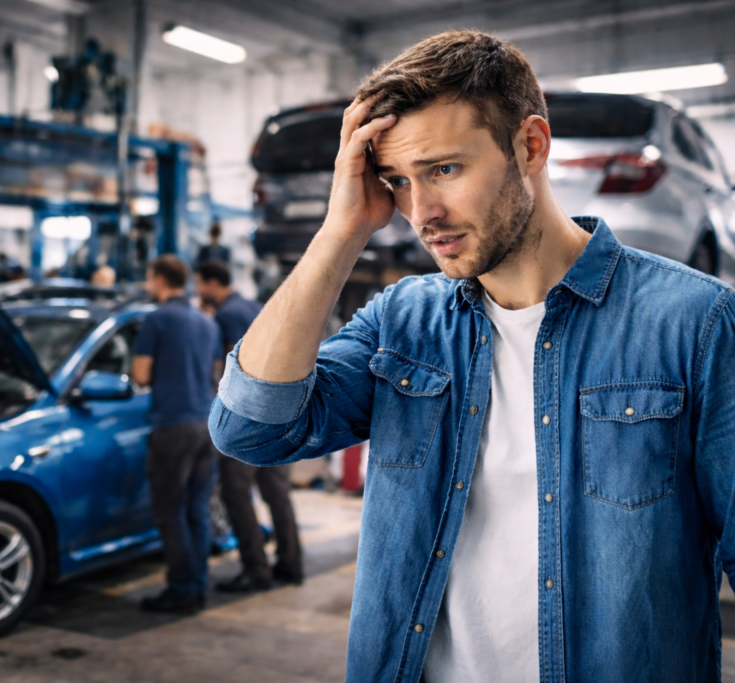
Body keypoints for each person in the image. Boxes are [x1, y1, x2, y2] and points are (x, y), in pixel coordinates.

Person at [209, 29, 735, 683]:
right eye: (399, 180)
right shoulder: (402, 323)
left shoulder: (694, 323)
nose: (421, 212)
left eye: (445, 169)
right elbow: (250, 428)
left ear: (530, 146)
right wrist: (341, 229)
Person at [195, 260, 303, 592]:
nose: (198, 291)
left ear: (213, 283)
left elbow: (229, 368)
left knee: (236, 494)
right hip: (275, 412)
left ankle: (255, 570)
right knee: (275, 493)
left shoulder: (226, 315)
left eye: (200, 283)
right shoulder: (254, 305)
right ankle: (291, 563)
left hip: (245, 416)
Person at [132, 255, 223, 614]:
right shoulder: (207, 323)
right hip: (206, 424)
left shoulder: (156, 320)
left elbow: (140, 375)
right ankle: (196, 586)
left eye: (148, 278)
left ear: (158, 279)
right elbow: (215, 372)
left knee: (170, 512)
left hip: (172, 425)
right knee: (196, 510)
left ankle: (181, 589)